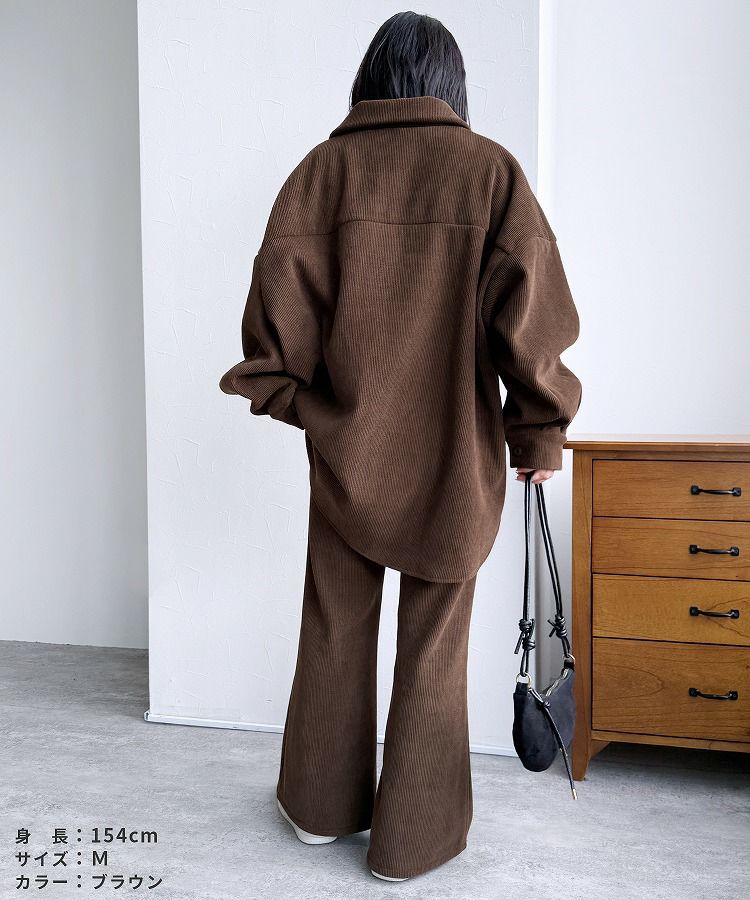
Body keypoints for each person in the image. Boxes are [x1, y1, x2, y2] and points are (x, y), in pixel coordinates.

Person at [219, 10, 582, 883]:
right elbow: (531, 322)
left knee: (334, 627)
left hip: (348, 456)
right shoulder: (488, 173)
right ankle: (410, 845)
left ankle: (318, 811)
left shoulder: (320, 173)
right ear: (451, 84)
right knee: (434, 648)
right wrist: (539, 428)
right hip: (456, 459)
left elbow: (273, 339)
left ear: (369, 79)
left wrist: (314, 411)